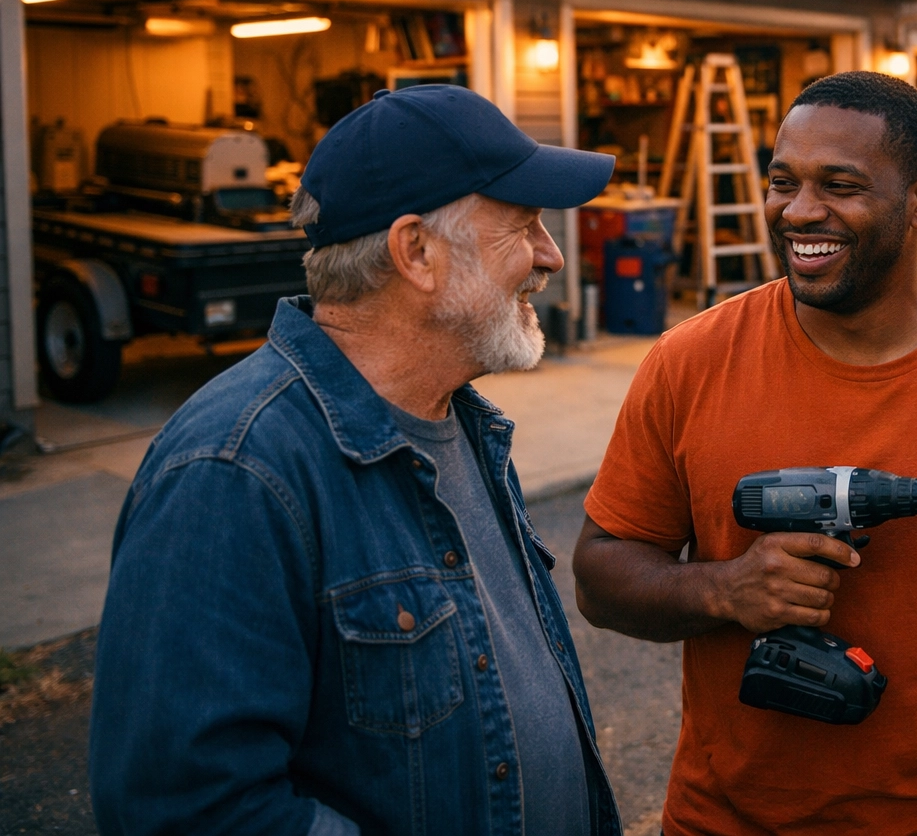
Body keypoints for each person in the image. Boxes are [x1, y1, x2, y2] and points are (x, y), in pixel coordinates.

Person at [573, 71, 917, 836]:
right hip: (723, 820)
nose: (801, 211)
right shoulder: (690, 361)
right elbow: (601, 575)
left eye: (840, 185)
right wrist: (727, 589)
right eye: (783, 181)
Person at [90, 86, 623, 836]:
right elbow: (186, 808)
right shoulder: (233, 471)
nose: (550, 254)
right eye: (523, 224)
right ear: (415, 252)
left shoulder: (461, 422)